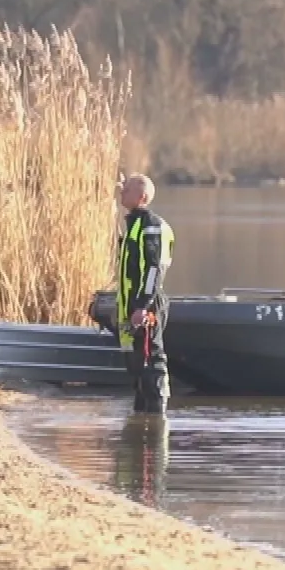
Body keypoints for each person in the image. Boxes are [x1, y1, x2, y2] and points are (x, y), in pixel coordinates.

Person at [117, 175, 174, 416]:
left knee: (152, 363)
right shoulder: (134, 225)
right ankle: (141, 422)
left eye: (127, 189)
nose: (122, 191)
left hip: (147, 305)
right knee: (137, 367)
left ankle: (157, 422)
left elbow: (153, 269)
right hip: (133, 305)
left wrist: (142, 305)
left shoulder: (151, 225)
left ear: (141, 197)